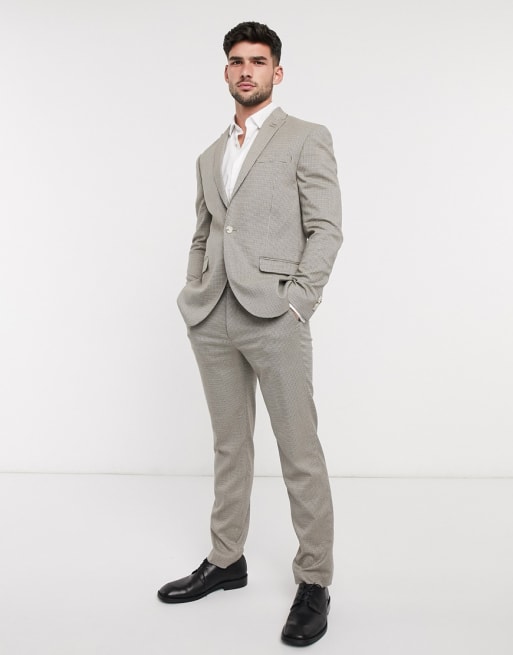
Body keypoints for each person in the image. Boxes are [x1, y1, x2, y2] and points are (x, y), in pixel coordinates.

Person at [158, 21, 342, 647]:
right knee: (229, 447)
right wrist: (193, 293)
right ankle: (226, 559)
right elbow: (204, 231)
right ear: (226, 71)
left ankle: (314, 580)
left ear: (276, 72)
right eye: (237, 61)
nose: (246, 70)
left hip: (275, 317)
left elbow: (326, 228)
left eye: (258, 61)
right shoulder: (210, 154)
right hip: (213, 316)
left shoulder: (307, 137)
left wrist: (300, 303)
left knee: (299, 452)